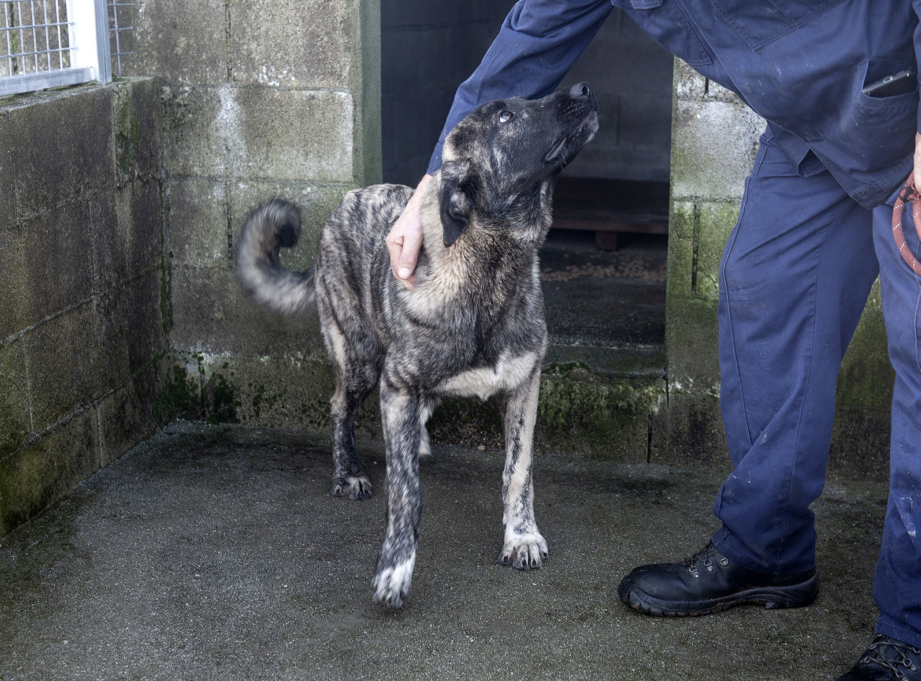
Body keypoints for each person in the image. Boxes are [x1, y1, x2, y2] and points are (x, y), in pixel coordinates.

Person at [384, 2, 921, 679]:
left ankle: (913, 626)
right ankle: (768, 543)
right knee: (763, 290)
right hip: (821, 122)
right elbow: (522, 49)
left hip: (906, 88)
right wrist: (431, 189)